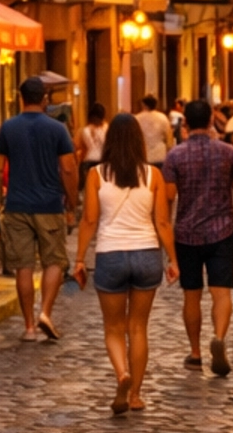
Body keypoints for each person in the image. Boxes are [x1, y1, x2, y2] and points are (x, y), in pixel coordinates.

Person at [73, 111, 177, 413]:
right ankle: (135, 396)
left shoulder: (96, 175)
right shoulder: (152, 175)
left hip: (111, 255)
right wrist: (172, 259)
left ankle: (122, 374)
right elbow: (162, 223)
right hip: (146, 255)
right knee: (139, 328)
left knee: (113, 328)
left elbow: (90, 220)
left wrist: (79, 259)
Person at [162, 97, 233, 377]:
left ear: (185, 122)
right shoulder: (228, 152)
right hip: (222, 230)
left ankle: (195, 352)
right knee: (221, 291)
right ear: (211, 120)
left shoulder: (175, 156)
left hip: (186, 233)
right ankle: (220, 337)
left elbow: (168, 197)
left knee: (191, 295)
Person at [0, 75, 78, 342]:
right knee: (54, 260)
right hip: (49, 204)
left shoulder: (8, 128)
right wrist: (71, 202)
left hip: (17, 204)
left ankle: (29, 326)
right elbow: (68, 168)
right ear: (44, 99)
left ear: (21, 98)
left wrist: (0, 197)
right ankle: (45, 312)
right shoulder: (57, 130)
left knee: (24, 266)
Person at [136, 94, 174, 167]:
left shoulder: (137, 118)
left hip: (143, 156)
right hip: (160, 156)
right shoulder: (163, 118)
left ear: (143, 104)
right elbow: (169, 140)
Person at [78, 102, 108, 168]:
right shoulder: (106, 128)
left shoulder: (85, 130)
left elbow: (79, 146)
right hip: (102, 161)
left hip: (88, 161)